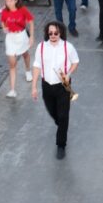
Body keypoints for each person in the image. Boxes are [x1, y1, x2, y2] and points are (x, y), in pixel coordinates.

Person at [31, 21, 79, 159]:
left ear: (60, 33)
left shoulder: (68, 47)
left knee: (63, 116)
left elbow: (75, 61)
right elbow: (36, 65)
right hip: (46, 85)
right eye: (50, 33)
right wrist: (34, 86)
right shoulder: (41, 47)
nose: (53, 35)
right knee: (54, 113)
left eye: (56, 33)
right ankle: (61, 124)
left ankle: (61, 144)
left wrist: (68, 74)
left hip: (63, 85)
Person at [1, 0, 34, 98]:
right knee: (12, 64)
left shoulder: (22, 10)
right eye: (7, 1)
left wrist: (32, 37)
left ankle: (28, 70)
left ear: (16, 0)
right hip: (10, 38)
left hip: (22, 36)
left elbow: (31, 21)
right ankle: (12, 90)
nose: (8, 3)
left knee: (25, 54)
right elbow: (3, 21)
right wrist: (4, 28)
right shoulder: (4, 11)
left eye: (10, 0)